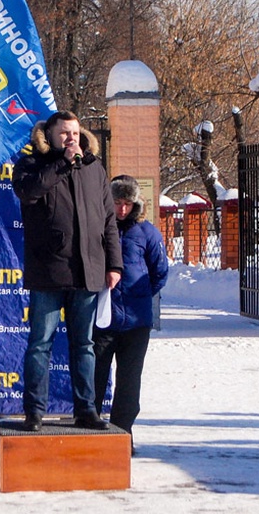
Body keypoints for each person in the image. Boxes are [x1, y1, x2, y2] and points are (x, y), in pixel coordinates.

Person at [12, 110, 123, 432]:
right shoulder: (32, 164)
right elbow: (28, 193)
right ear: (49, 136)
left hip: (88, 270)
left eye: (75, 133)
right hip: (49, 271)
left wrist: (114, 264)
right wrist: (62, 163)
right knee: (40, 344)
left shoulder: (94, 169)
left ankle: (86, 410)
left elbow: (108, 221)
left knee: (84, 345)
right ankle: (34, 412)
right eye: (64, 134)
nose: (71, 139)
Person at [93, 175, 168, 450]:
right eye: (117, 203)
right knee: (95, 377)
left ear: (136, 204)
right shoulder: (98, 228)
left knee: (129, 381)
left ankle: (123, 434)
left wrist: (138, 295)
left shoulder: (147, 232)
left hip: (136, 323)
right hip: (102, 319)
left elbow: (160, 273)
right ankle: (92, 428)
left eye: (127, 203)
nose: (122, 209)